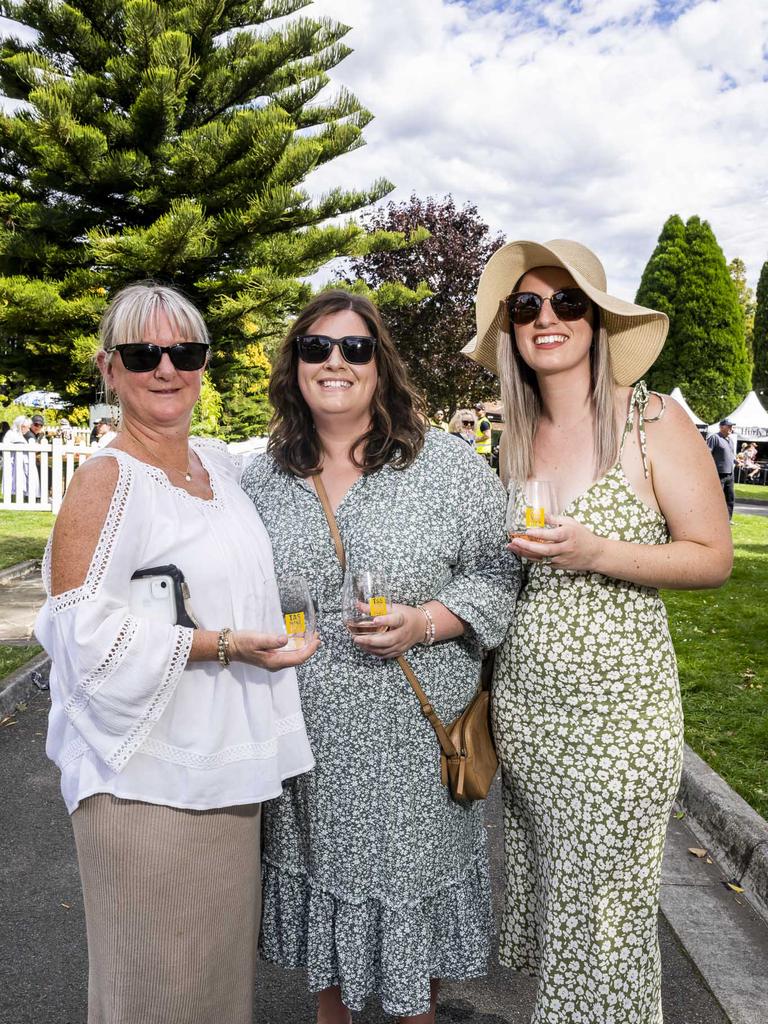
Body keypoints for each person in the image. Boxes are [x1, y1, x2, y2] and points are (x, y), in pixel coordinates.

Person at [463, 238, 733, 1024]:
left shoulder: (650, 418)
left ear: (597, 318)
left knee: (606, 920)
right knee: (568, 914)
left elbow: (713, 557)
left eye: (565, 302)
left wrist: (599, 552)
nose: (546, 318)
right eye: (526, 307)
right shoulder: (513, 435)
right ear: (511, 329)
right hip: (530, 715)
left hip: (622, 718)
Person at [34, 281, 317, 1024]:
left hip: (225, 775)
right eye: (142, 353)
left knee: (213, 994)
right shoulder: (108, 481)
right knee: (153, 996)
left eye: (183, 351)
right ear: (110, 369)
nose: (166, 368)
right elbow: (77, 633)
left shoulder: (219, 469)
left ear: (204, 362)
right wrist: (221, 645)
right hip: (146, 784)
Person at [241, 290, 518, 1024]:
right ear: (295, 365)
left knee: (409, 935)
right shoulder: (261, 480)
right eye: (316, 348)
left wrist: (425, 621)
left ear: (379, 363)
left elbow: (499, 571)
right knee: (329, 929)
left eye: (354, 349)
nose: (335, 362)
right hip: (310, 748)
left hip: (410, 750)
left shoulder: (444, 467)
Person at [707, 419, 736, 520]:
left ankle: (728, 519)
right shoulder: (714, 438)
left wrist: (737, 462)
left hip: (730, 474)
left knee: (730, 498)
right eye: (729, 426)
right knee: (717, 498)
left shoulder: (730, 440)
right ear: (721, 427)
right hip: (719, 474)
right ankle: (713, 518)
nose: (731, 429)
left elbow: (731, 456)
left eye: (732, 427)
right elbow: (707, 454)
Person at [4, 415, 39, 499]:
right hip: (14, 462)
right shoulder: (11, 434)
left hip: (25, 462)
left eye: (28, 427)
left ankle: (26, 496)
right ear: (20, 426)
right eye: (25, 427)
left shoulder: (23, 435)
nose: (27, 429)